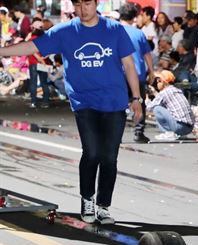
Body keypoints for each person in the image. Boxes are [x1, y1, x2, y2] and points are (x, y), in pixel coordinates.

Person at [0, 0, 143, 225]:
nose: (83, 9)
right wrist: (2, 51)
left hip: (114, 102)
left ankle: (103, 206)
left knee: (109, 158)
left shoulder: (114, 30)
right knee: (92, 152)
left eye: (87, 3)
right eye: (78, 4)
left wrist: (136, 98)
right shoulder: (65, 31)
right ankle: (88, 199)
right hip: (83, 101)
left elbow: (129, 65)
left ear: (96, 4)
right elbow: (33, 47)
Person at [119, 2, 153, 143]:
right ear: (134, 17)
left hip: (118, 75)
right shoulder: (139, 33)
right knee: (138, 102)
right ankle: (139, 132)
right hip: (137, 74)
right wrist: (151, 72)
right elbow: (147, 55)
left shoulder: (113, 32)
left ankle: (117, 134)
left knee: (118, 105)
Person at [146, 70, 195, 141]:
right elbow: (162, 100)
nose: (156, 84)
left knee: (157, 109)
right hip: (188, 128)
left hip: (179, 127)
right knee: (163, 107)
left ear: (162, 81)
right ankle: (178, 134)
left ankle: (168, 133)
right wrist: (154, 93)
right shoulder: (175, 90)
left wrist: (146, 99)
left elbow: (149, 108)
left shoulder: (165, 92)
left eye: (157, 81)